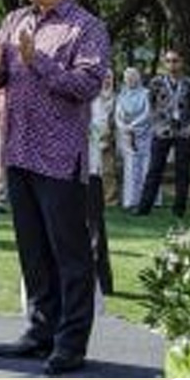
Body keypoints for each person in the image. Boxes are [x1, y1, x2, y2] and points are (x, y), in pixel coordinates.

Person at [0, 0, 110, 378]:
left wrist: (39, 62)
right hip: (20, 151)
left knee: (69, 255)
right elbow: (0, 81)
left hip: (59, 157)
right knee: (32, 253)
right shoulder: (15, 20)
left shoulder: (86, 28)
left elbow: (86, 85)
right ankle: (39, 331)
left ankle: (71, 343)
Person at [134, 47, 190, 218]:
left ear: (181, 62)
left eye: (175, 60)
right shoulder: (156, 82)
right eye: (168, 61)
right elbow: (150, 107)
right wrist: (156, 125)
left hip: (184, 131)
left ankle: (179, 209)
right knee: (154, 170)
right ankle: (144, 208)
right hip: (162, 131)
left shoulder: (188, 83)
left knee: (183, 171)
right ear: (164, 63)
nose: (171, 64)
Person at [86, 85, 114, 297]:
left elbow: (101, 128)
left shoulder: (93, 98)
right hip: (63, 172)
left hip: (90, 171)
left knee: (95, 226)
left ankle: (102, 281)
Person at [114, 66, 151, 211]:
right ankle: (130, 200)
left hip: (144, 134)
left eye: (133, 76)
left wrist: (133, 125)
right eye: (127, 77)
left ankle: (147, 199)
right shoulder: (121, 95)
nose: (130, 79)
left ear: (138, 77)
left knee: (145, 166)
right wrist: (124, 127)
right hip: (127, 136)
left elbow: (148, 113)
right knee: (130, 168)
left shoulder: (146, 93)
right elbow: (117, 116)